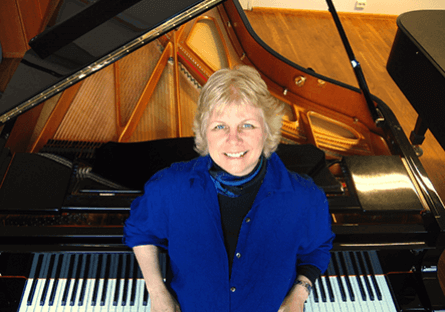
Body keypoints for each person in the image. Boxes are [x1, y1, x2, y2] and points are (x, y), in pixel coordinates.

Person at [123, 65, 334, 312]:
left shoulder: (306, 198)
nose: (234, 140)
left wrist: (299, 294)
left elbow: (317, 248)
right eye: (220, 126)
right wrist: (157, 292)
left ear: (267, 130)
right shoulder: (169, 188)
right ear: (204, 132)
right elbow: (140, 230)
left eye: (247, 125)